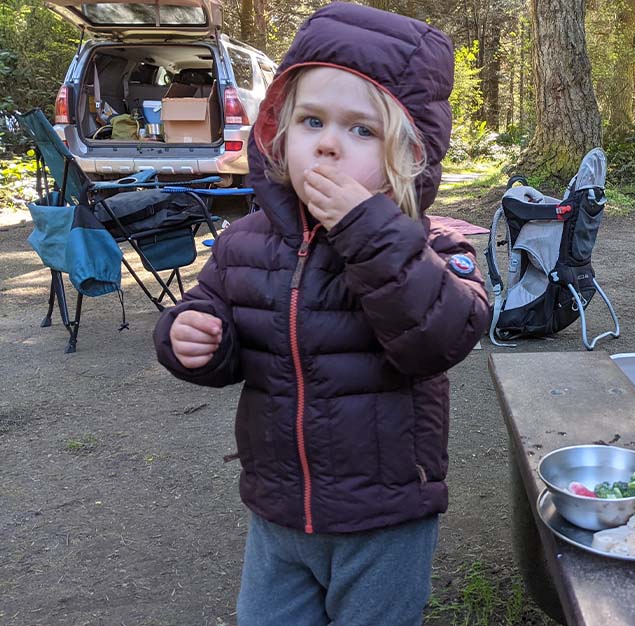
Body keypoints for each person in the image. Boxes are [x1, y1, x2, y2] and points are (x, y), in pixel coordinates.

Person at [152, 3, 490, 624]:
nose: (328, 143)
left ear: (410, 153)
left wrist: (369, 232)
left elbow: (440, 338)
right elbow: (214, 320)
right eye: (312, 121)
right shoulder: (244, 241)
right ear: (280, 132)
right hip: (278, 507)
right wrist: (189, 339)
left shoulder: (433, 247)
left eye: (362, 130)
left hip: (386, 515)